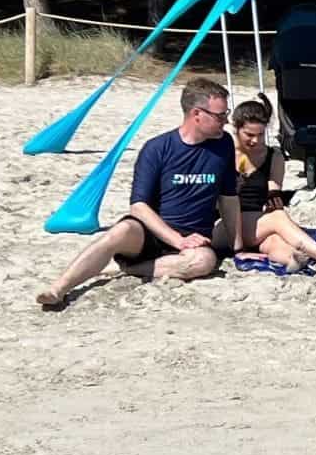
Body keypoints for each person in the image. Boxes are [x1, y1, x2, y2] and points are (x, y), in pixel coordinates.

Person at [35, 78, 241, 308]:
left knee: (203, 262)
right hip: (152, 233)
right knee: (120, 231)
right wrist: (178, 240)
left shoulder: (224, 144)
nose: (226, 121)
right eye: (220, 116)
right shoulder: (157, 148)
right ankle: (59, 288)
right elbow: (138, 207)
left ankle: (126, 270)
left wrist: (238, 247)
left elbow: (229, 198)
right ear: (196, 114)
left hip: (194, 240)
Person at [231, 95, 316, 272]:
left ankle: (290, 259)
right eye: (249, 135)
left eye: (260, 135)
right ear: (236, 129)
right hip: (228, 225)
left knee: (275, 239)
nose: (256, 141)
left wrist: (275, 200)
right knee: (277, 218)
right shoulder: (227, 153)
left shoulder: (273, 156)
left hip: (257, 224)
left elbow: (273, 194)